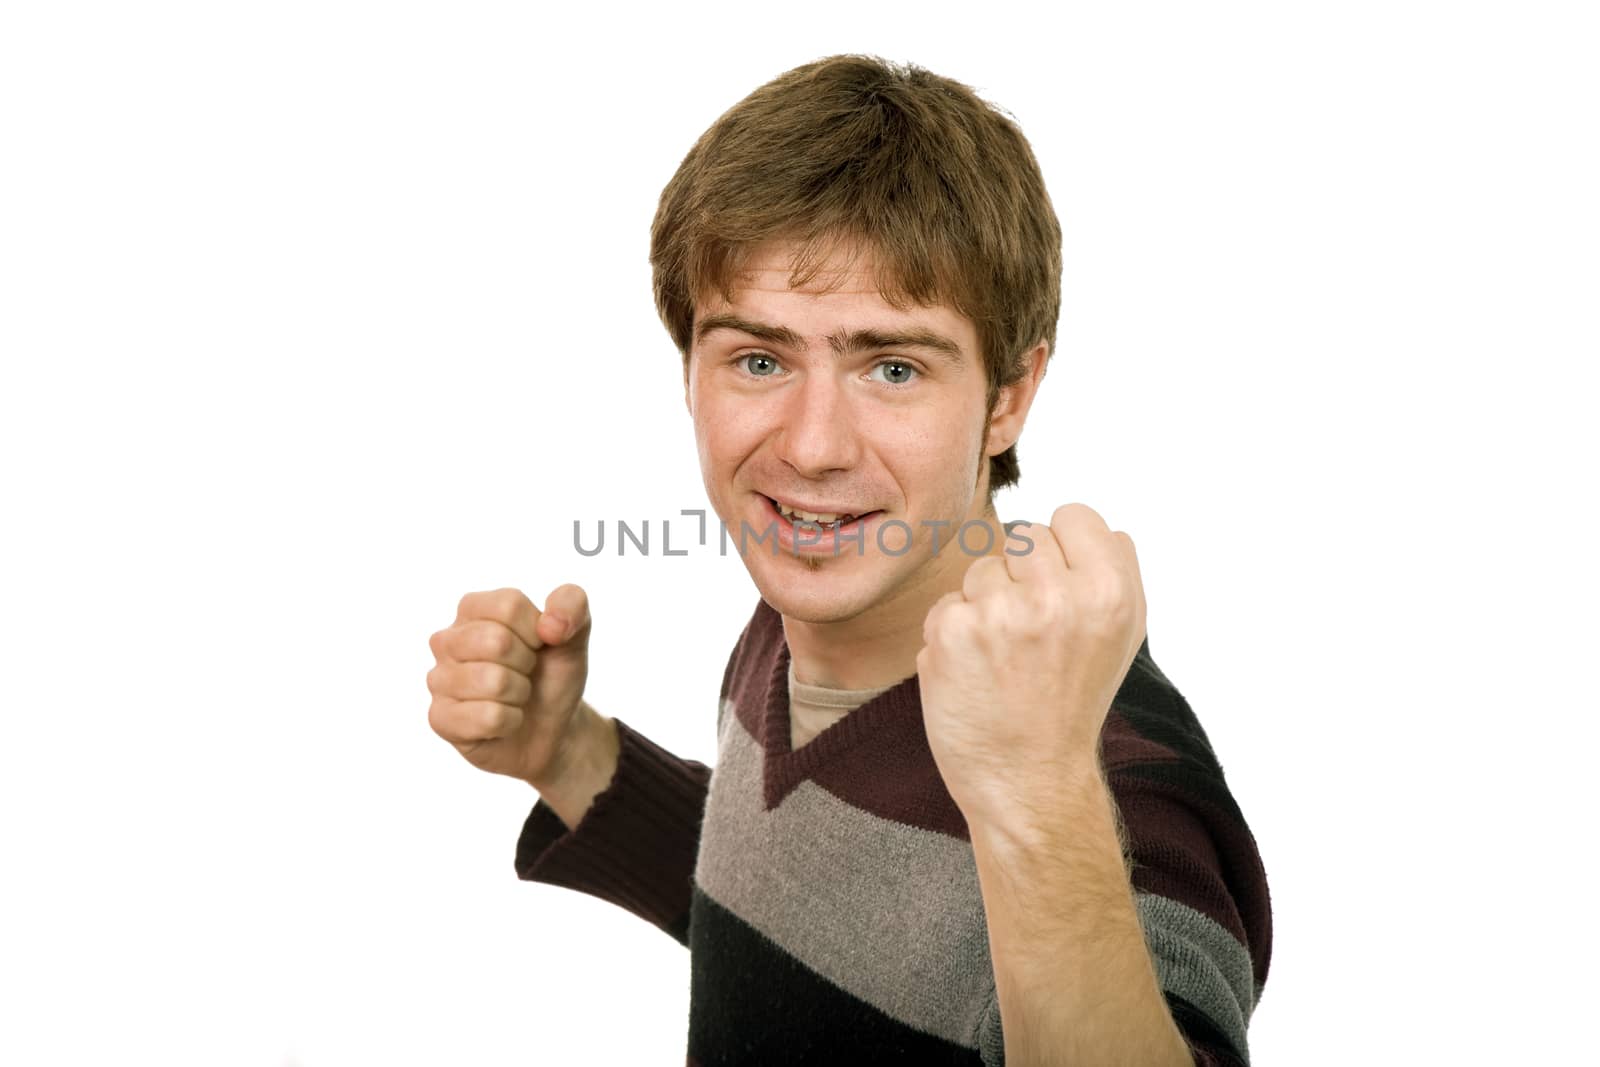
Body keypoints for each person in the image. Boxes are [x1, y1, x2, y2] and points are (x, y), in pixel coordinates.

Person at [426, 54, 1271, 1066]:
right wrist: (565, 752)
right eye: (759, 358)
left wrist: (1039, 795)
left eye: (893, 366)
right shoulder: (795, 614)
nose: (813, 444)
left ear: (1007, 395)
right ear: (690, 371)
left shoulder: (1114, 777)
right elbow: (810, 901)